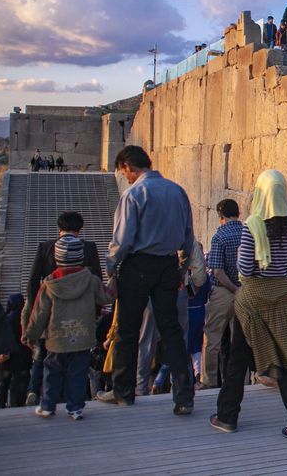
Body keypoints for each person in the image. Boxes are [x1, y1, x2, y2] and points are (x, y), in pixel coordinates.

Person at [210, 170, 287, 438]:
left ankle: (227, 416)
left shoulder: (253, 226)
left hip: (252, 299)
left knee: (238, 360)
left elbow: (245, 268)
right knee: (285, 362)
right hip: (283, 299)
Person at [97, 146, 195, 415]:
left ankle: (123, 392)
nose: (124, 177)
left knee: (128, 330)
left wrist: (110, 271)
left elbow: (122, 241)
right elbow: (189, 237)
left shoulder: (133, 194)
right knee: (172, 330)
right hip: (167, 265)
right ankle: (184, 395)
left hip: (137, 266)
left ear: (128, 166)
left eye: (123, 172)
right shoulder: (177, 191)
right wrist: (181, 269)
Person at [24, 235, 109, 420]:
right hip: (83, 337)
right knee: (78, 373)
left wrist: (30, 334)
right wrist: (113, 279)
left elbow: (39, 313)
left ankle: (47, 405)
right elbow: (105, 298)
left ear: (57, 258)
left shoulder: (49, 283)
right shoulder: (91, 280)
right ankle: (75, 408)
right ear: (81, 257)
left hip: (57, 339)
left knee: (52, 372)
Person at [199, 199, 242, 390]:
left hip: (223, 292)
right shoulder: (248, 233)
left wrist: (233, 288)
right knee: (239, 340)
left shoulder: (220, 236)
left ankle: (209, 381)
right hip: (245, 291)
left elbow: (217, 271)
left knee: (212, 339)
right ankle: (240, 379)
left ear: (221, 216)